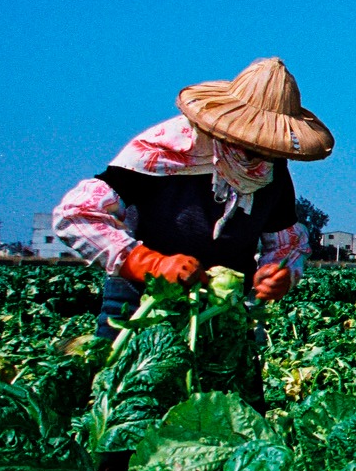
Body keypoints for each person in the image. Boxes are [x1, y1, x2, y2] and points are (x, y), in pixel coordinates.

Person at [52, 57, 333, 337]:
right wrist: (151, 264)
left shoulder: (271, 172)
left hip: (224, 316)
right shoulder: (166, 151)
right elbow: (76, 214)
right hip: (140, 312)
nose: (256, 152)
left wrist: (277, 273)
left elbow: (287, 242)